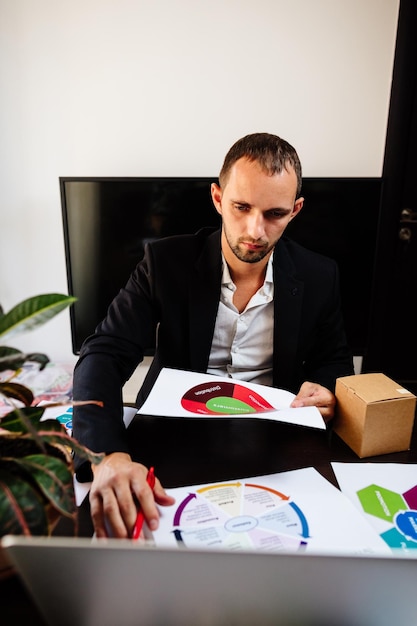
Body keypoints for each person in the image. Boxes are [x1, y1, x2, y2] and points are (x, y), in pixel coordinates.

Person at [72, 132, 354, 538]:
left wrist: (326, 388)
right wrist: (108, 456)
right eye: (241, 207)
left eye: (274, 213)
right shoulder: (164, 261)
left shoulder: (319, 274)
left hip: (276, 438)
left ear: (295, 211)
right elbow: (105, 352)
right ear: (218, 199)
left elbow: (334, 359)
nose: (255, 229)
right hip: (174, 435)